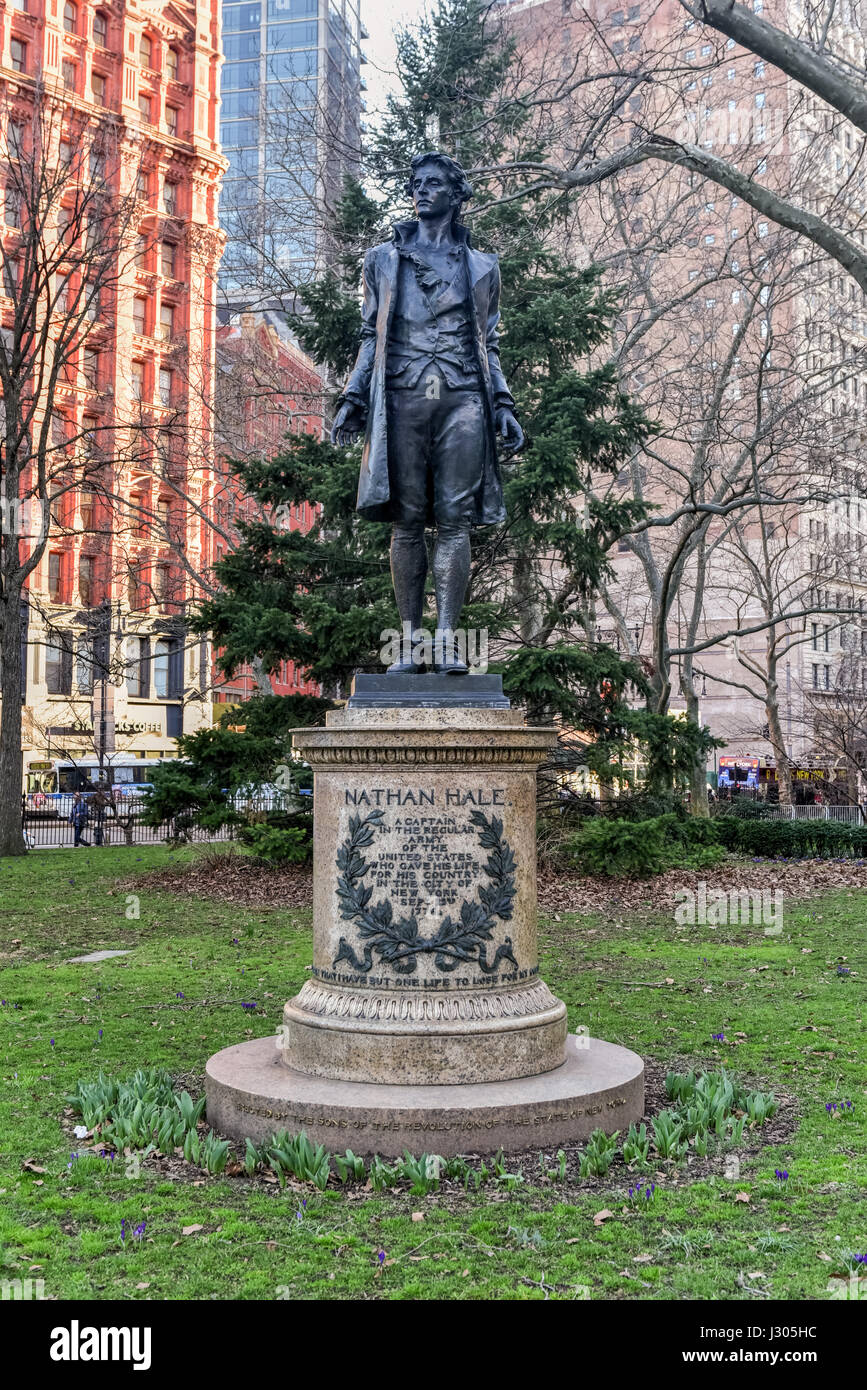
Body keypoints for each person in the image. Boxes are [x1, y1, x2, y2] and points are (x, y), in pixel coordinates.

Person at [330, 150, 524, 673]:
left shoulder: (483, 267)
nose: (421, 191)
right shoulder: (382, 260)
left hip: (462, 396)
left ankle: (446, 642)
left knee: (455, 519)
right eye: (416, 183)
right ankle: (410, 647)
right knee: (408, 522)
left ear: (456, 196)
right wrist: (352, 396)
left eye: (434, 183)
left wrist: (502, 402)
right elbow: (371, 333)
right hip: (402, 395)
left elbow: (490, 341)